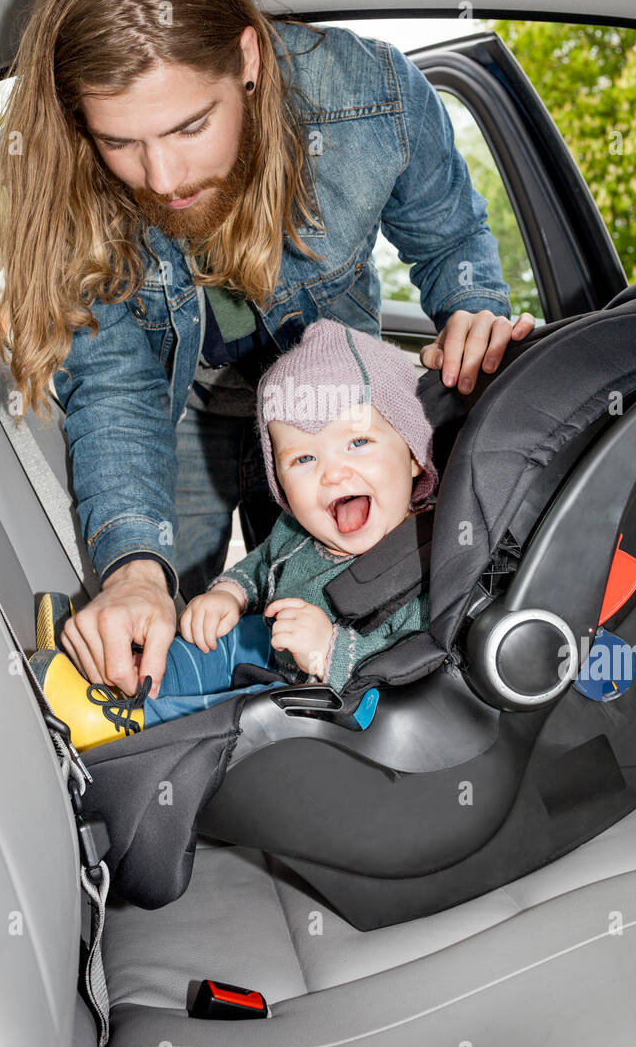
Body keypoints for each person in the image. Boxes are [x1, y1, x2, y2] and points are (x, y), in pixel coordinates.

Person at [0, 0, 534, 705]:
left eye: (189, 127)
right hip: (182, 411)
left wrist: (472, 309)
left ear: (247, 59)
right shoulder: (76, 188)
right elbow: (115, 389)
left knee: (350, 614)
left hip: (329, 414)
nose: (161, 177)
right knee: (168, 642)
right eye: (121, 143)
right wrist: (134, 570)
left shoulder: (369, 97)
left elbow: (450, 240)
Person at [32, 320, 437, 751]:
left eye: (358, 443)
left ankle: (122, 724)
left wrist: (328, 651)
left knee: (254, 708)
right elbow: (260, 566)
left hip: (325, 701)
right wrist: (229, 594)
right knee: (211, 642)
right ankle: (115, 674)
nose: (333, 473)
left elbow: (416, 661)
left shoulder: (423, 557)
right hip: (268, 647)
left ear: (413, 454)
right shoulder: (296, 530)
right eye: (303, 459)